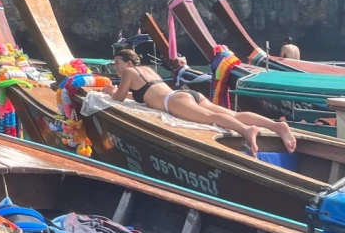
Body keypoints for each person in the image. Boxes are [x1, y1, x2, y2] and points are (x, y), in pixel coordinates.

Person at [105, 48, 296, 157]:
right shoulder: (148, 70)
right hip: (185, 95)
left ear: (128, 63)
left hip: (174, 102)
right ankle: (276, 125)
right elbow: (145, 95)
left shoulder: (129, 73)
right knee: (234, 114)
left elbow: (119, 98)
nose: (116, 67)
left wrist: (111, 91)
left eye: (117, 63)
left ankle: (246, 130)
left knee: (211, 117)